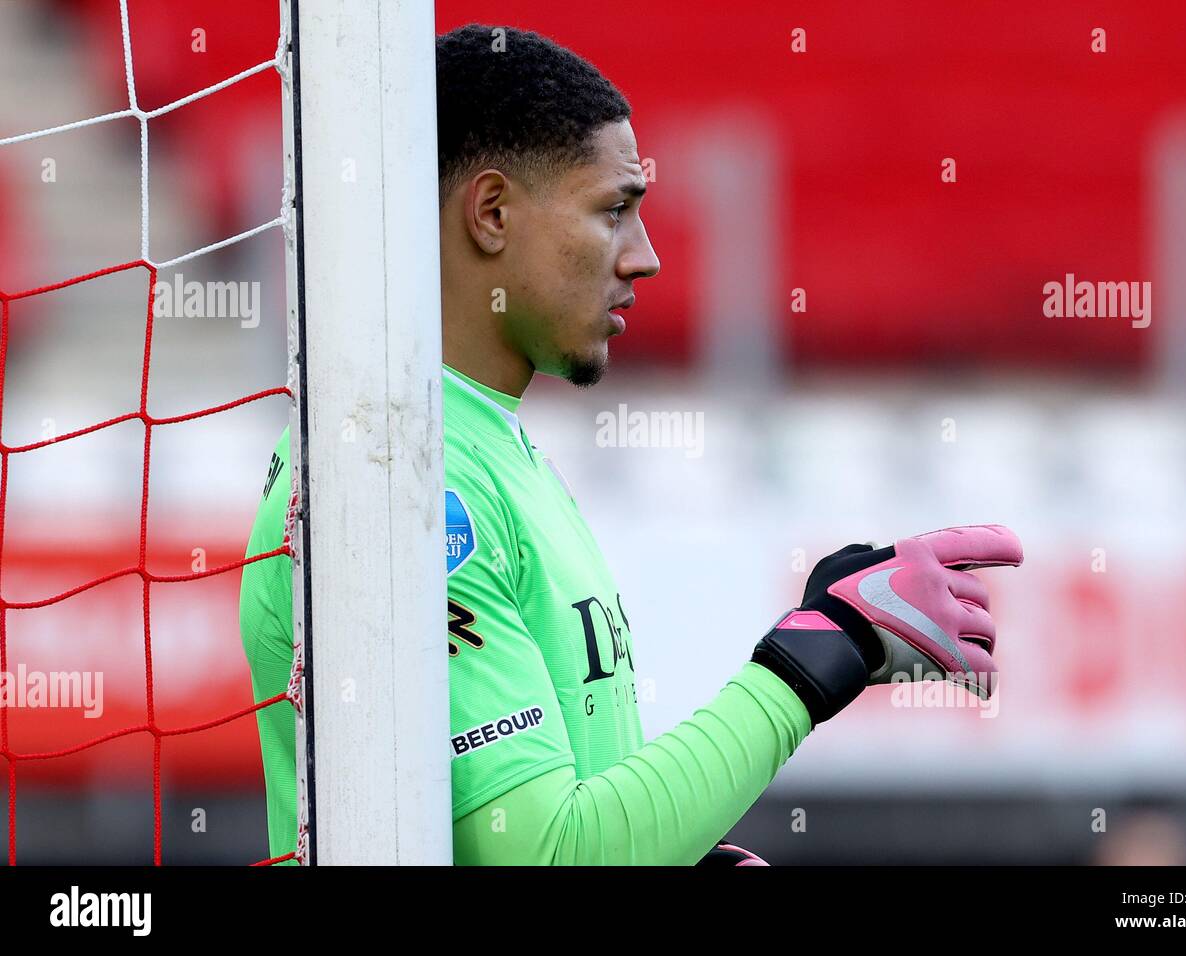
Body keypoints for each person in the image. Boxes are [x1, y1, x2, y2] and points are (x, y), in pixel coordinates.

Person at [238, 23, 1023, 866]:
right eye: (615, 211)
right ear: (493, 213)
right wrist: (819, 650)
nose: (645, 258)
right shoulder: (407, 485)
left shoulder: (480, 451)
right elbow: (548, 855)